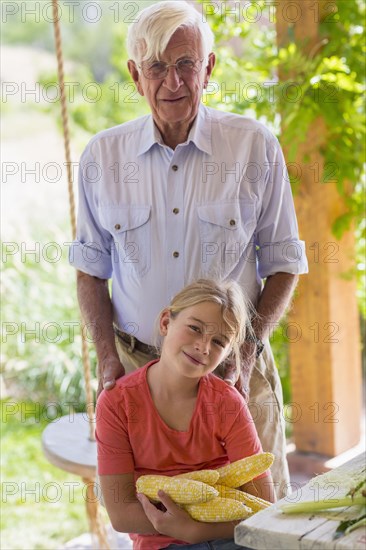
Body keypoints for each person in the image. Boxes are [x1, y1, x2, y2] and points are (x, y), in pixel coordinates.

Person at [70, 0, 308, 499]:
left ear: (209, 68)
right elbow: (91, 271)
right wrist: (107, 360)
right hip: (138, 371)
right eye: (157, 66)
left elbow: (285, 263)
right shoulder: (102, 156)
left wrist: (246, 350)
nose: (173, 82)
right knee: (157, 518)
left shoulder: (254, 145)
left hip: (235, 368)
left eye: (185, 64)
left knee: (259, 515)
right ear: (136, 75)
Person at [96, 278, 276, 550]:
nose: (203, 347)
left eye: (218, 341)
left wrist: (198, 530)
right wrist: (185, 527)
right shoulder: (117, 403)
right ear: (166, 322)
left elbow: (265, 506)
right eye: (194, 328)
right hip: (159, 543)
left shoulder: (227, 403)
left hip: (229, 538)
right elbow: (121, 515)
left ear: (228, 352)